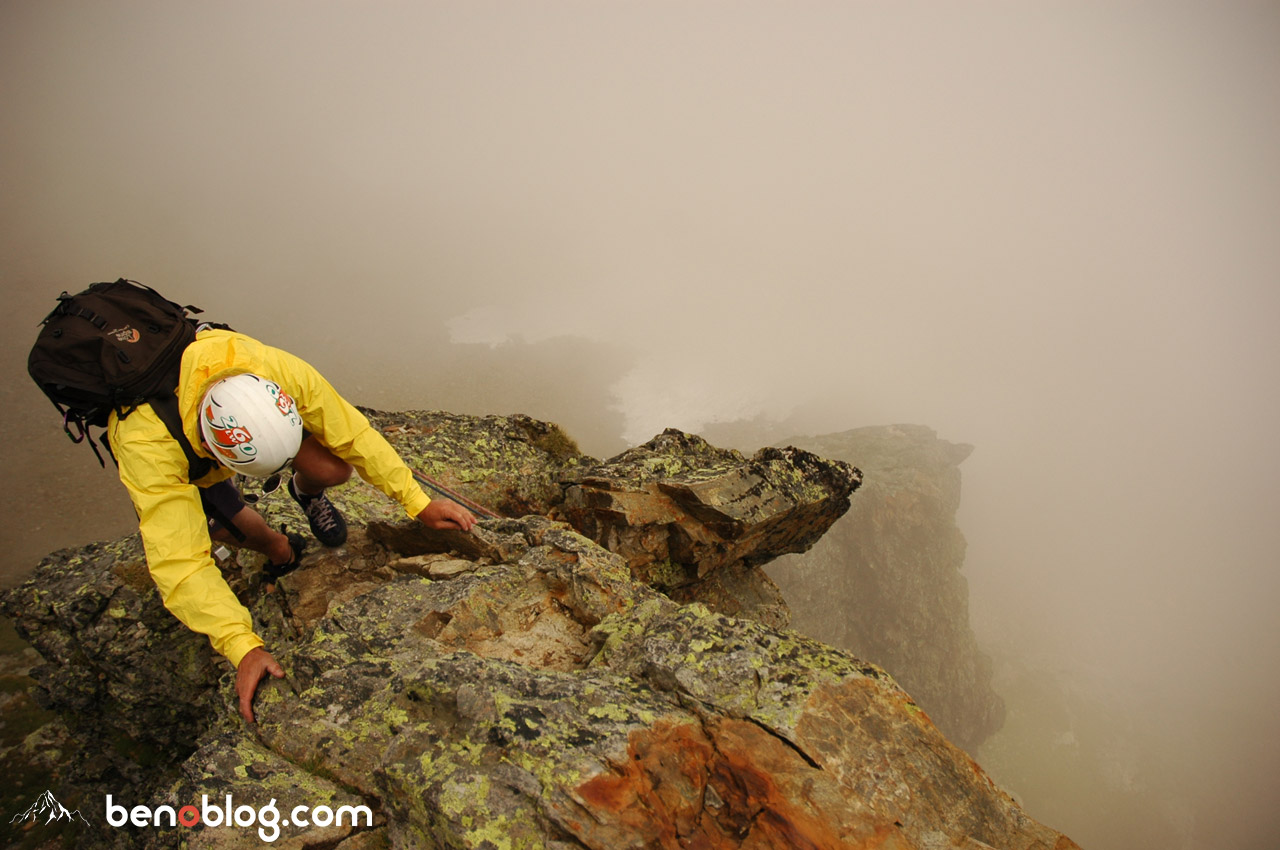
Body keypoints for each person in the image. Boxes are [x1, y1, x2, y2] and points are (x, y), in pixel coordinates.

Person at [106, 326, 476, 724]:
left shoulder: (277, 371)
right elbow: (180, 561)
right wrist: (241, 646)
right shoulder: (147, 445)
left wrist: (417, 502)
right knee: (218, 527)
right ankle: (279, 550)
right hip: (178, 445)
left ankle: (307, 494)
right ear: (215, 453)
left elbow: (352, 434)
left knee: (332, 467)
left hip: (223, 423)